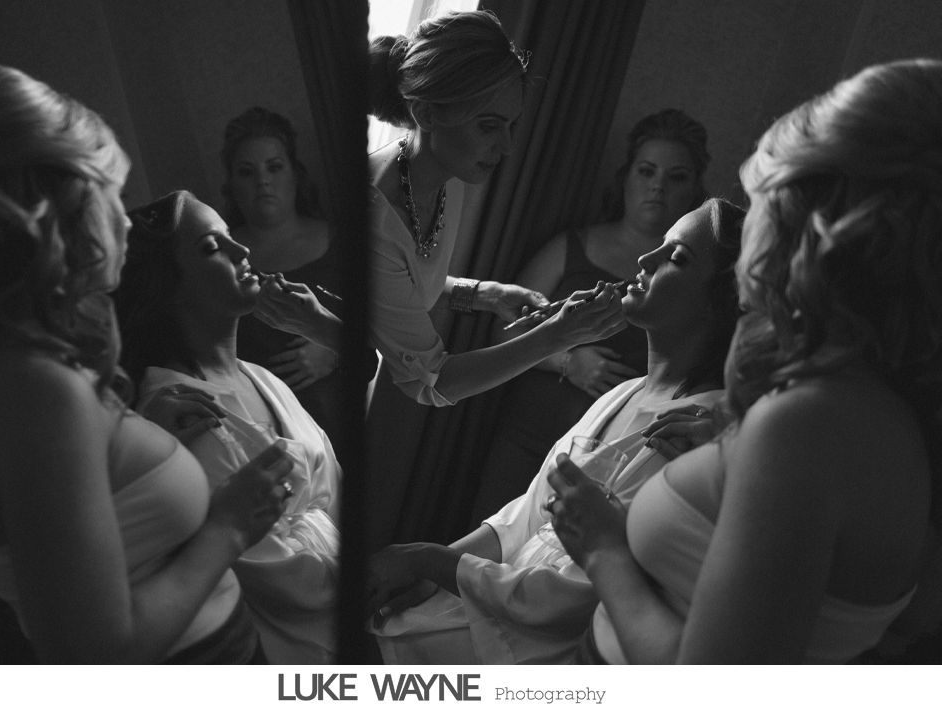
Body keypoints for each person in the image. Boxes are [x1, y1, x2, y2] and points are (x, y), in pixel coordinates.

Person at [548, 58, 942, 664]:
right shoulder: (868, 405)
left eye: (760, 198)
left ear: (810, 226)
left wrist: (603, 548)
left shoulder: (809, 423)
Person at [0, 63, 292, 663]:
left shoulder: (27, 373)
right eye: (110, 193)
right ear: (49, 214)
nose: (126, 220)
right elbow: (97, 651)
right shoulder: (34, 389)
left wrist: (143, 440)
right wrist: (230, 526)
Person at [365, 198, 745, 664]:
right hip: (499, 596)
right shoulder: (620, 395)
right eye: (659, 246)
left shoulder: (696, 432)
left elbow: (571, 595)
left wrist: (430, 561)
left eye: (677, 257)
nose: (646, 260)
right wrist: (433, 568)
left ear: (720, 302)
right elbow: (527, 517)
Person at [113, 190, 342, 664]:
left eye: (230, 237)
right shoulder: (179, 409)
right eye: (211, 247)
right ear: (168, 284)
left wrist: (327, 329)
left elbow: (336, 490)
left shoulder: (263, 376)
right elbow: (277, 576)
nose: (242, 252)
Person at [365, 9, 625, 407]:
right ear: (427, 113)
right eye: (488, 126)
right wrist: (559, 336)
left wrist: (486, 295)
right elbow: (432, 382)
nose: (506, 147)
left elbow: (407, 285)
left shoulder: (439, 169)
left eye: (510, 125)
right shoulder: (377, 219)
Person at [471, 109, 711, 520]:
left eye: (676, 177)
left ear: (694, 191)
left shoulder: (695, 281)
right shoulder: (571, 247)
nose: (657, 187)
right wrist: (567, 360)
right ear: (626, 177)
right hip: (529, 433)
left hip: (616, 459)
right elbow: (503, 331)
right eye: (646, 171)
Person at [221, 107, 373, 449]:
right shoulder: (219, 254)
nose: (263, 181)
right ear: (231, 184)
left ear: (294, 173)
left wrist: (333, 347)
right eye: (247, 172)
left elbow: (386, 331)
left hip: (349, 421)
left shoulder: (343, 243)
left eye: (274, 167)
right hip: (263, 432)